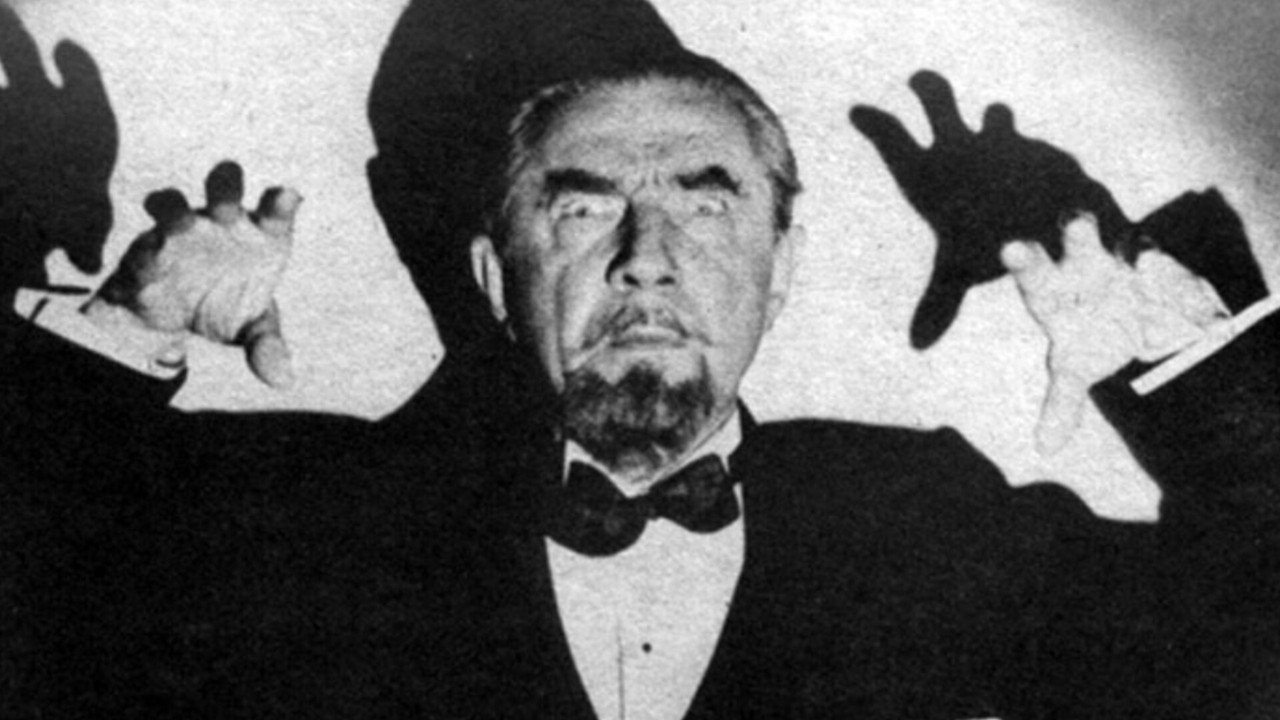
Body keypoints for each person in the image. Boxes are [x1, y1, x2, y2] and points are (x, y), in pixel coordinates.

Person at [4, 54, 1277, 720]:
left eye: (706, 204)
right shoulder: (303, 521)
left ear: (781, 273)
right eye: (580, 207)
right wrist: (121, 330)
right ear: (494, 279)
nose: (646, 257)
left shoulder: (922, 516)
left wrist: (1192, 359)